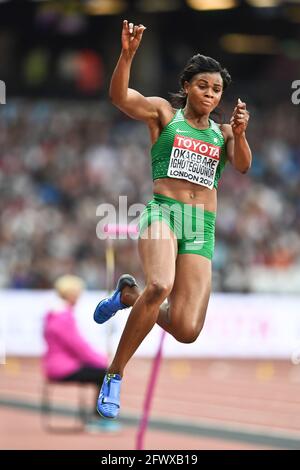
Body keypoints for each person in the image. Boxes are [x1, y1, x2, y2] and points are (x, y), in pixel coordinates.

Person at [94, 20, 252, 419]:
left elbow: (244, 166)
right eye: (203, 86)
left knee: (186, 329)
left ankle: (128, 295)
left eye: (217, 90)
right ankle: (114, 375)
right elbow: (118, 98)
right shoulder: (164, 114)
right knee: (161, 285)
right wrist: (127, 56)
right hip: (164, 213)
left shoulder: (223, 132)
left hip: (202, 227)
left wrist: (242, 133)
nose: (211, 95)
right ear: (187, 87)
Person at [43, 274, 120, 431]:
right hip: (63, 368)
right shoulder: (63, 317)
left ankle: (97, 417)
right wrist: (103, 361)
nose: (79, 296)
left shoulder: (53, 314)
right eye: (77, 293)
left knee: (102, 372)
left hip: (57, 365)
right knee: (105, 374)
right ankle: (98, 419)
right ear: (70, 294)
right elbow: (78, 346)